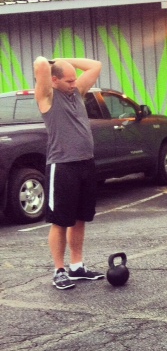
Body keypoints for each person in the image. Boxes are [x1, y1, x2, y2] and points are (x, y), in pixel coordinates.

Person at [33, 55, 105, 290]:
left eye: (75, 80)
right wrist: (52, 60)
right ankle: (60, 270)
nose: (75, 84)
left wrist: (65, 60)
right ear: (54, 81)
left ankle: (77, 267)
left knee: (80, 218)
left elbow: (96, 65)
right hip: (62, 166)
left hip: (86, 164)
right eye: (69, 81)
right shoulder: (47, 98)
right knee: (60, 221)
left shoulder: (77, 92)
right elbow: (41, 64)